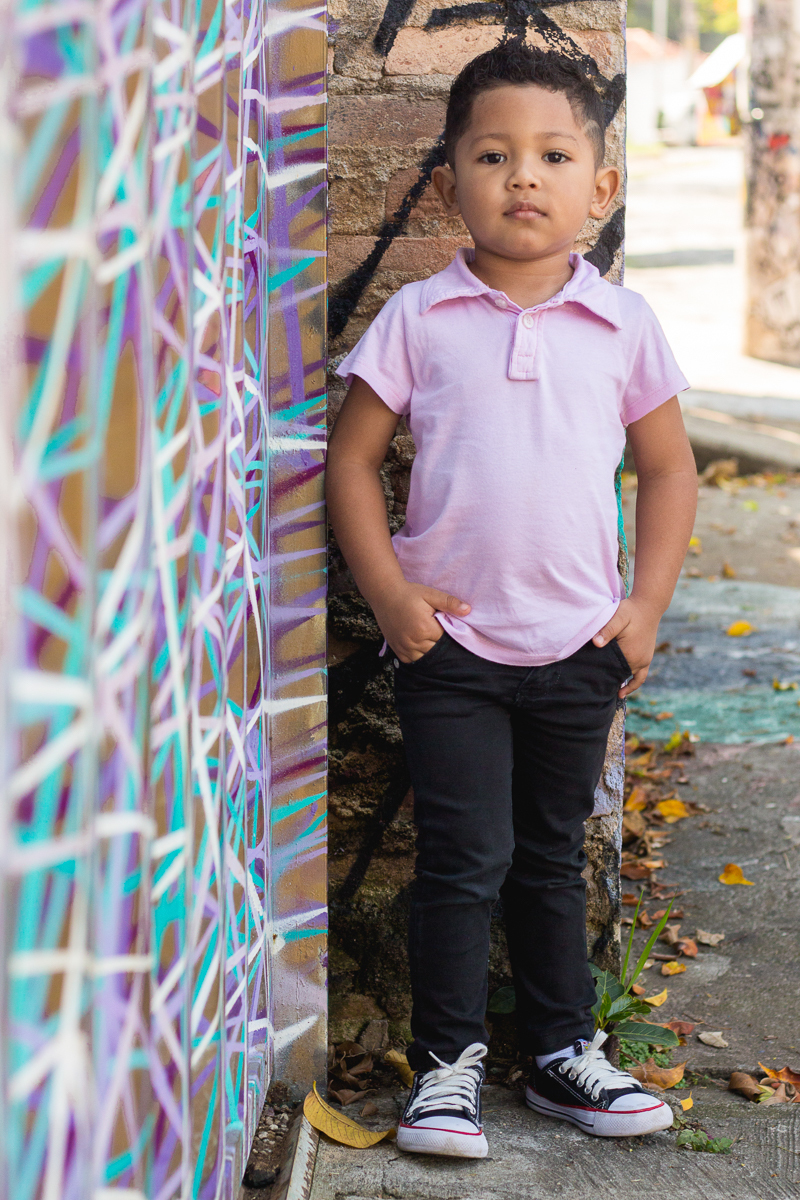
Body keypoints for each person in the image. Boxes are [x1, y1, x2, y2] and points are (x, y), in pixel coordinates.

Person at [326, 40, 698, 1159]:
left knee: (547, 858)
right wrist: (389, 595)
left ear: (601, 186)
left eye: (551, 155)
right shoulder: (419, 320)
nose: (522, 177)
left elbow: (668, 468)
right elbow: (348, 462)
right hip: (450, 650)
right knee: (460, 858)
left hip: (578, 647)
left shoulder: (622, 325)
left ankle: (559, 1051)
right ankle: (444, 1071)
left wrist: (643, 609)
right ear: (449, 181)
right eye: (492, 155)